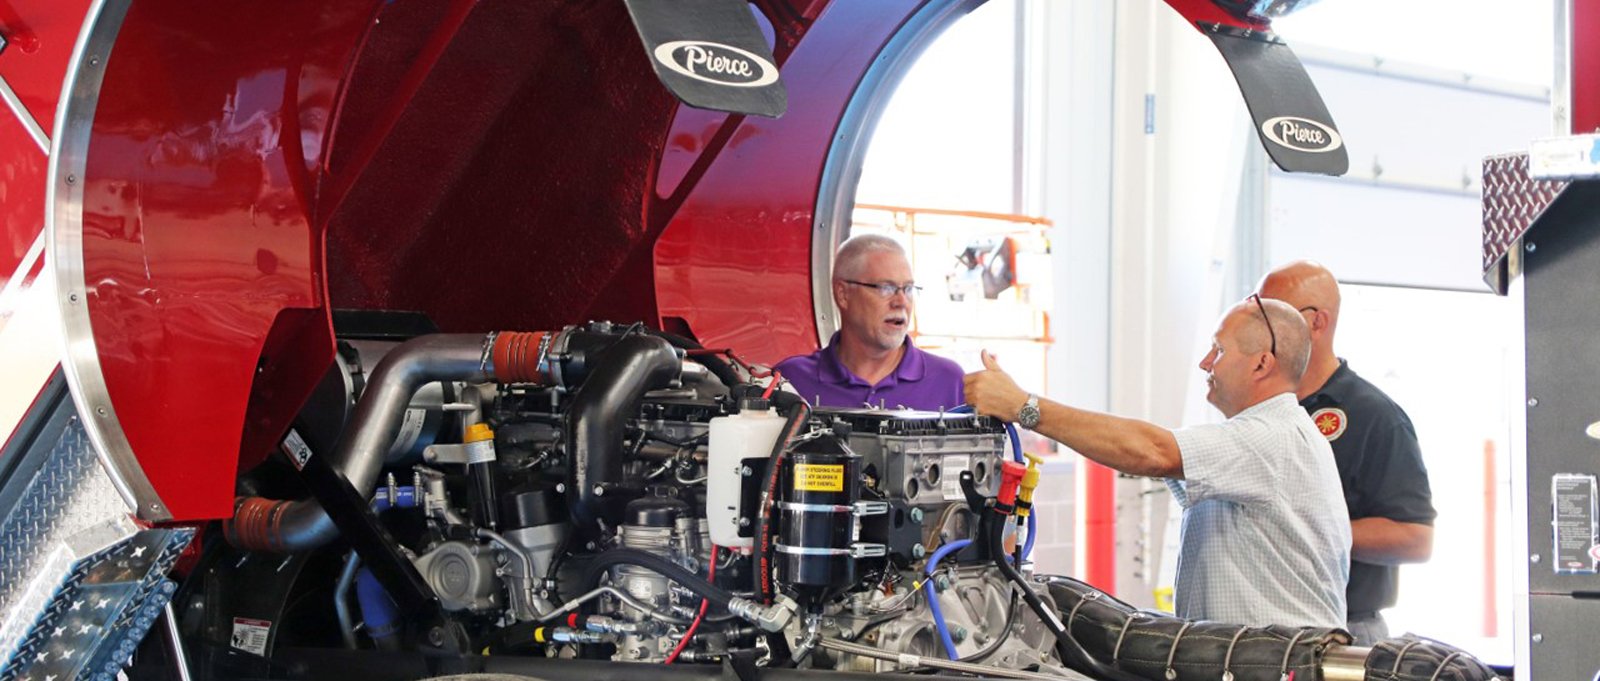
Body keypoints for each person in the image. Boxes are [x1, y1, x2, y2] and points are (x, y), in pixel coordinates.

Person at [964, 296, 1351, 628]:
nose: (1205, 363)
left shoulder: (1273, 437)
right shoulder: (1268, 437)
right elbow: (1150, 451)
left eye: (1218, 350)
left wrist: (1023, 407)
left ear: (1261, 364)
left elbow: (1153, 452)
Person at [1257, 261, 1435, 645]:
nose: (1259, 327)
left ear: (1317, 323)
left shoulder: (1374, 416)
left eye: (1273, 314)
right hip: (1265, 629)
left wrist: (1305, 530)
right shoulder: (1259, 410)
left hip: (1342, 631)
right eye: (1258, 312)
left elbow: (1415, 538)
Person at [775, 235, 964, 411]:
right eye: (885, 288)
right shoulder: (789, 381)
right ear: (843, 294)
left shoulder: (949, 381)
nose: (901, 302)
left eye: (907, 289)